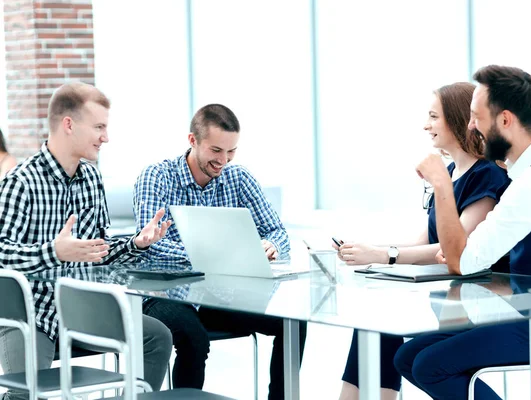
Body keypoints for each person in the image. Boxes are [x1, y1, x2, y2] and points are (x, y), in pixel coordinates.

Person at [394, 65, 531, 400]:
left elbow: (460, 262)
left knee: (429, 366)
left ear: (505, 121)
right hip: (525, 311)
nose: (470, 127)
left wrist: (442, 184)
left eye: (476, 117)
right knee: (408, 357)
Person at [334, 82, 510, 400]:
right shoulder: (452, 172)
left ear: (457, 121)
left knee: (383, 321)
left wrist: (383, 254)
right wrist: (368, 250)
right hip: (448, 299)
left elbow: (453, 248)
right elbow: (424, 240)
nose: (425, 125)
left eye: (433, 116)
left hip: (478, 305)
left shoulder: (487, 176)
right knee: (375, 315)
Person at [0, 82, 173, 398]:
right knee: (24, 394)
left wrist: (136, 244)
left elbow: (98, 251)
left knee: (157, 338)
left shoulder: (92, 178)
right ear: (69, 124)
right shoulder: (20, 182)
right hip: (30, 313)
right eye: (99, 127)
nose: (106, 137)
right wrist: (54, 252)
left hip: (82, 308)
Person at [133, 103, 307, 400]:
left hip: (218, 298)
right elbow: (152, 247)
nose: (223, 160)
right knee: (193, 339)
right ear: (193, 141)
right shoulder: (157, 176)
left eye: (231, 152)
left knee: (292, 323)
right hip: (165, 294)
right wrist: (214, 255)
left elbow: (278, 232)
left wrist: (270, 245)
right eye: (216, 151)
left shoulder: (238, 178)